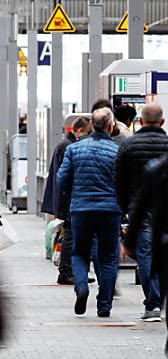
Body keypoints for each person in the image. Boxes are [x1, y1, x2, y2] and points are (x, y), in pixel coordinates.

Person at [58, 108, 121, 318]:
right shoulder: (116, 151)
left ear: (92, 125)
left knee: (79, 253)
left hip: (81, 210)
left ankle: (82, 287)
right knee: (109, 258)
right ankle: (104, 305)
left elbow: (61, 180)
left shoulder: (74, 149)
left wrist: (74, 195)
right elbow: (123, 183)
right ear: (111, 126)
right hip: (110, 211)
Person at [115, 104, 168, 321]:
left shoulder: (129, 145)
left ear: (140, 121)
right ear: (162, 122)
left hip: (141, 207)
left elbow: (118, 180)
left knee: (146, 255)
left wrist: (125, 208)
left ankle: (153, 304)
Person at [124, 154, 168, 356]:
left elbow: (139, 206)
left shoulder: (156, 168)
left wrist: (128, 240)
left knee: (146, 258)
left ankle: (153, 303)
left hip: (161, 237)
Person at [42, 117, 93, 285]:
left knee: (71, 234)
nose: (89, 136)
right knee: (70, 235)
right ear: (78, 130)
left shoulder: (65, 144)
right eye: (87, 132)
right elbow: (66, 176)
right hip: (69, 199)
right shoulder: (68, 146)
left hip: (66, 198)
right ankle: (66, 271)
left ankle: (73, 271)